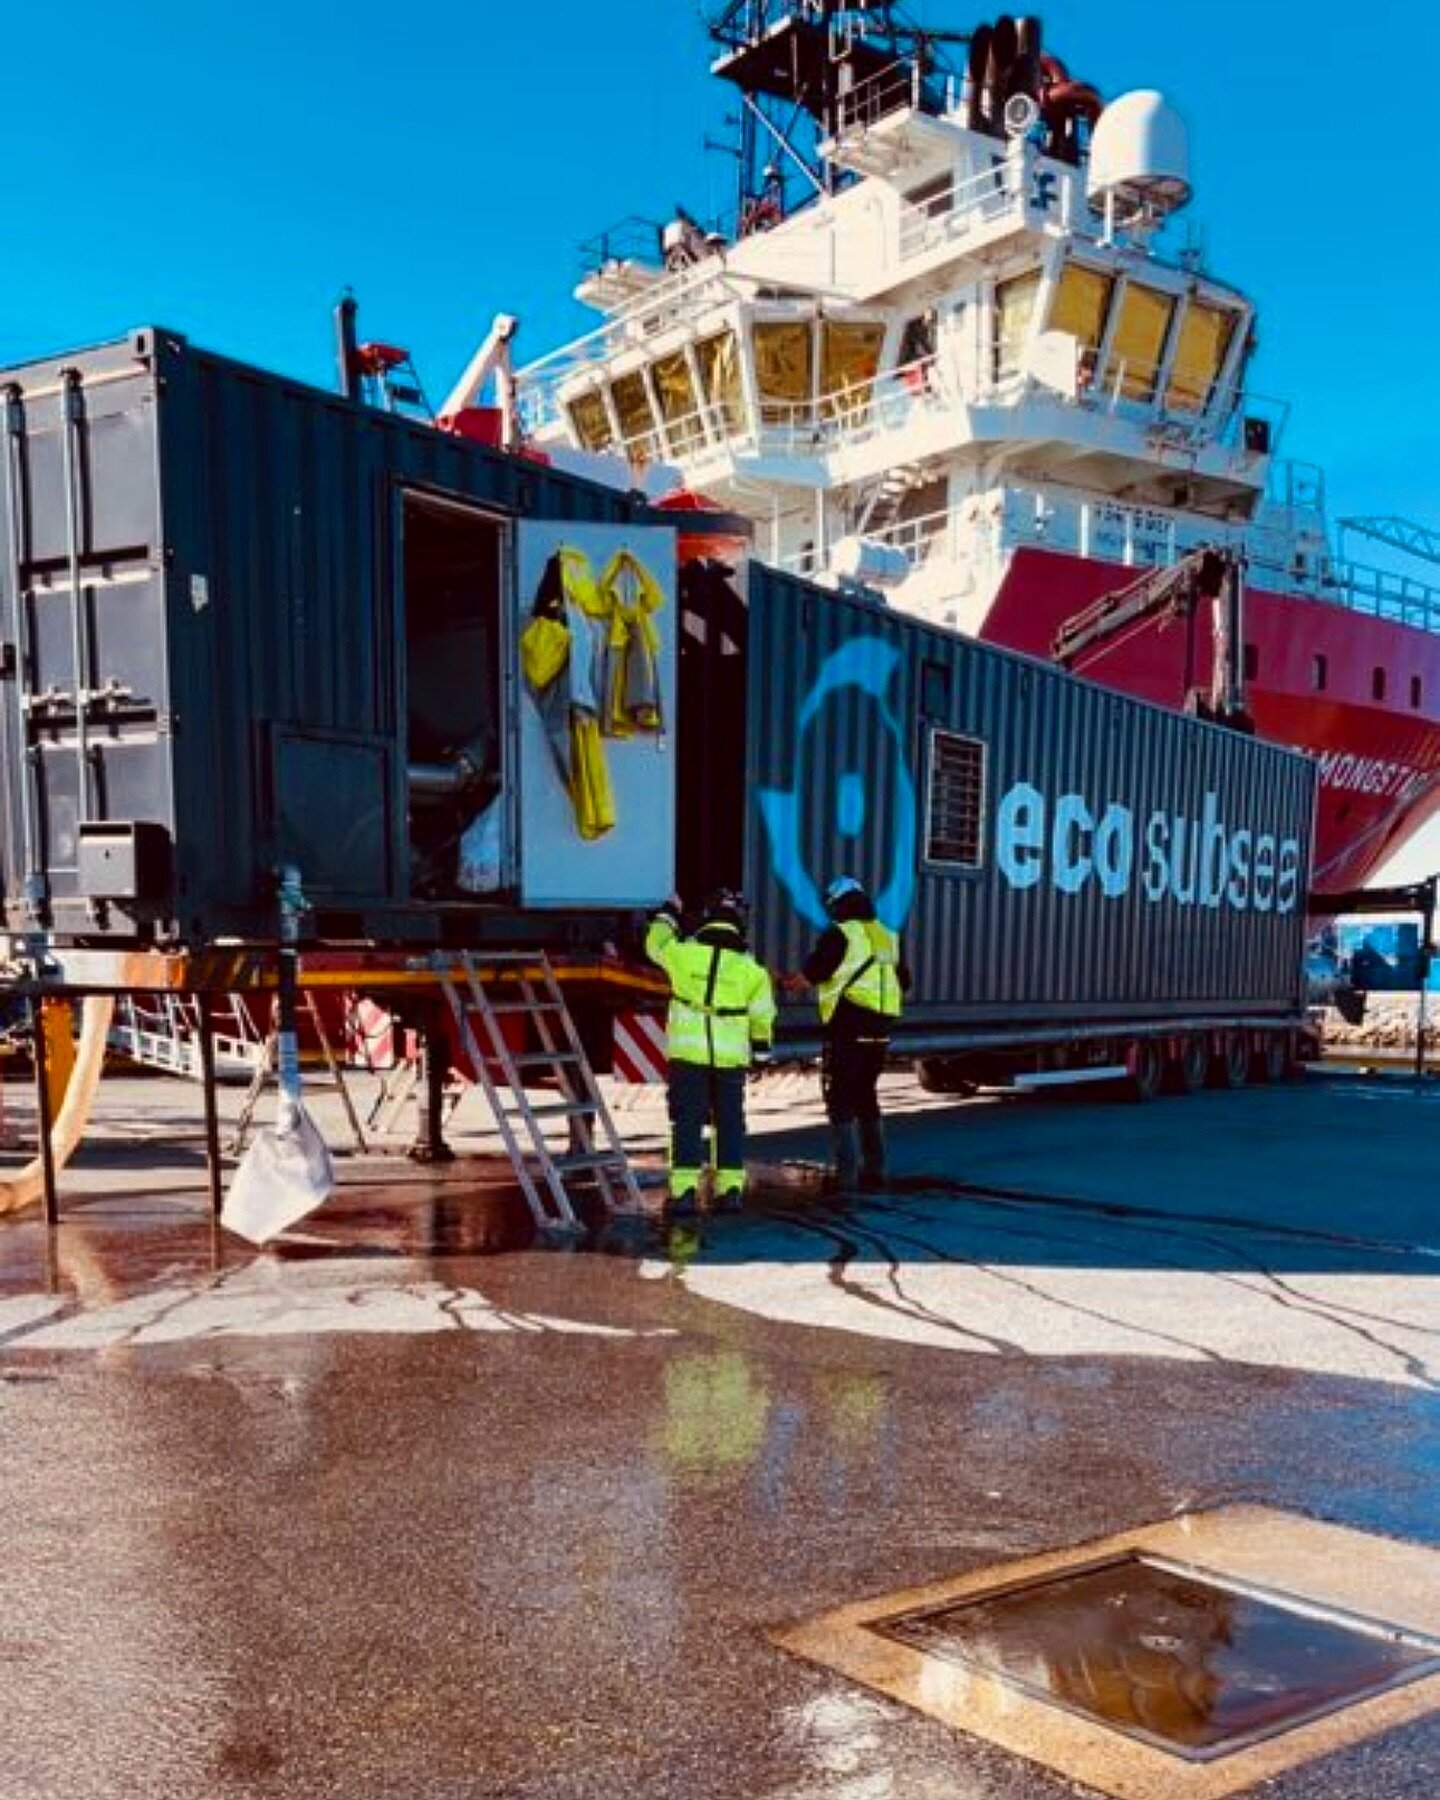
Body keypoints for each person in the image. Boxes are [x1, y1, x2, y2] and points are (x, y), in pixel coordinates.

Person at [645, 889, 776, 1216]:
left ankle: (685, 1192)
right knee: (730, 1121)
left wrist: (668, 915)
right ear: (740, 923)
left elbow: (654, 945)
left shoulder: (683, 954)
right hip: (729, 1061)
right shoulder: (753, 971)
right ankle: (730, 1190)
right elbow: (763, 1016)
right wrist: (760, 1054)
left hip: (688, 1057)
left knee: (686, 1121)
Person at [795, 875, 908, 1192]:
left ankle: (846, 1176)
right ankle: (876, 1169)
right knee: (866, 1093)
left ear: (836, 903)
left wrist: (779, 980)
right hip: (881, 1029)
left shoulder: (840, 934)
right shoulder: (887, 936)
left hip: (848, 1025)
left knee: (840, 1096)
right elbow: (905, 981)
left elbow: (809, 977)